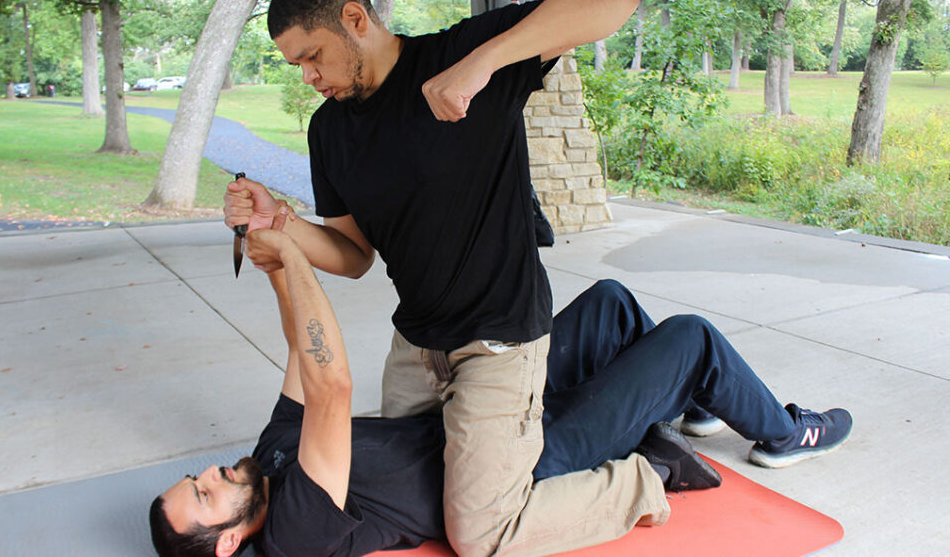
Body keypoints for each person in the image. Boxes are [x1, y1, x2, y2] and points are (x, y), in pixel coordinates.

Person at [223, 0, 651, 554]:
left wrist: (483, 63)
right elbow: (353, 256)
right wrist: (281, 222)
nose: (308, 77)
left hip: (498, 337)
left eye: (312, 57)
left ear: (355, 19)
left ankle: (644, 480)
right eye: (297, 64)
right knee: (417, 493)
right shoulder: (330, 129)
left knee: (477, 535)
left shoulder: (458, 56)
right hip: (418, 347)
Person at [149, 229, 853, 557]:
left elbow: (303, 365)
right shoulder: (296, 530)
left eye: (195, 478)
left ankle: (687, 401)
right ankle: (785, 434)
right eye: (206, 496)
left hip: (483, 407)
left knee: (608, 301)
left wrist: (273, 260)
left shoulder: (266, 459)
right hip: (525, 459)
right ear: (228, 543)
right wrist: (299, 255)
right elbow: (333, 384)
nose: (211, 474)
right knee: (690, 336)